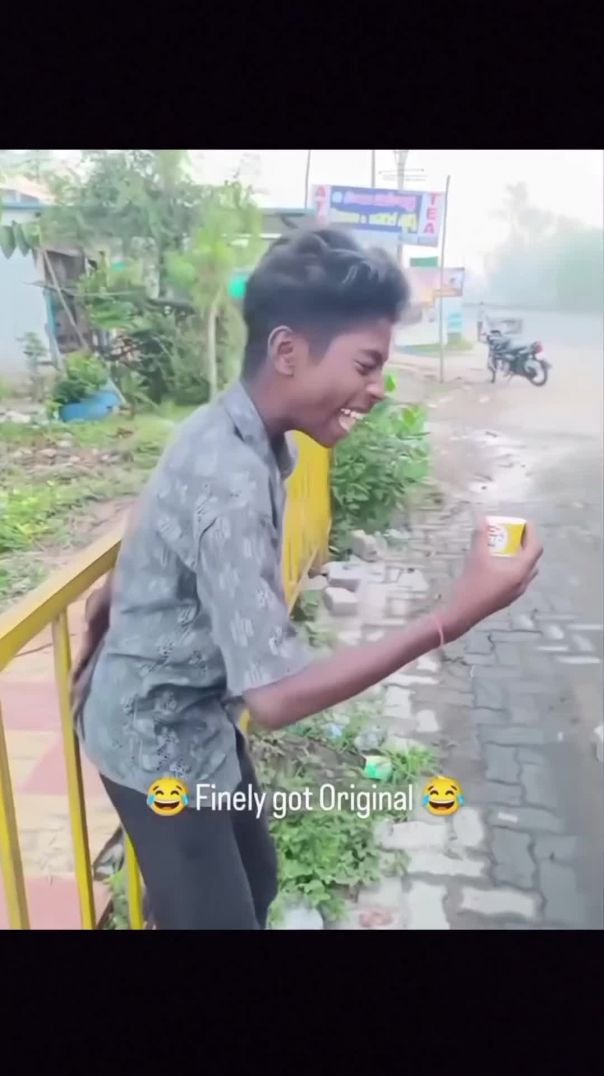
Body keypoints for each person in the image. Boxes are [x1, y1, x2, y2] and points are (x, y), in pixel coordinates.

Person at [71, 228, 542, 930]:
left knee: (257, 880)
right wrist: (453, 617)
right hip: (155, 741)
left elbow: (158, 524)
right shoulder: (230, 478)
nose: (377, 390)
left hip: (198, 715)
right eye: (366, 365)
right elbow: (277, 698)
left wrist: (122, 599)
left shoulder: (234, 430)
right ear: (287, 352)